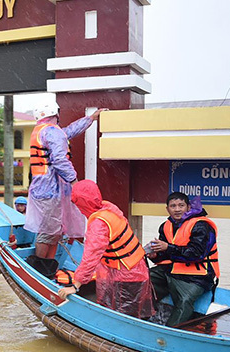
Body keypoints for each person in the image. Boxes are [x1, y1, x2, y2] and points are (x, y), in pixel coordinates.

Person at [24, 102, 105, 276]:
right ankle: (40, 270)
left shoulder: (44, 130)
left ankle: (48, 268)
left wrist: (90, 118)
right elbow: (59, 159)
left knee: (54, 231)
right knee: (49, 231)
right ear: (56, 113)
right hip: (50, 190)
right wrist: (75, 182)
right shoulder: (51, 131)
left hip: (45, 189)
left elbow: (68, 132)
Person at [57, 181, 153, 320]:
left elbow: (90, 257)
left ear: (82, 203)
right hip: (135, 269)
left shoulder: (99, 224)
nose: (77, 208)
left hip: (126, 276)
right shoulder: (109, 209)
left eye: (77, 203)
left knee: (124, 318)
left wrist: (75, 285)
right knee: (127, 312)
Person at [147, 192, 218, 327]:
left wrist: (167, 248)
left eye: (181, 205)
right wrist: (155, 256)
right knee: (142, 281)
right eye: (173, 206)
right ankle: (138, 319)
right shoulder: (165, 226)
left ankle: (171, 333)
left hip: (197, 276)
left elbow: (196, 253)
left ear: (188, 207)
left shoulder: (202, 226)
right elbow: (166, 254)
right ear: (167, 209)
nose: (177, 209)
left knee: (184, 301)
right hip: (171, 270)